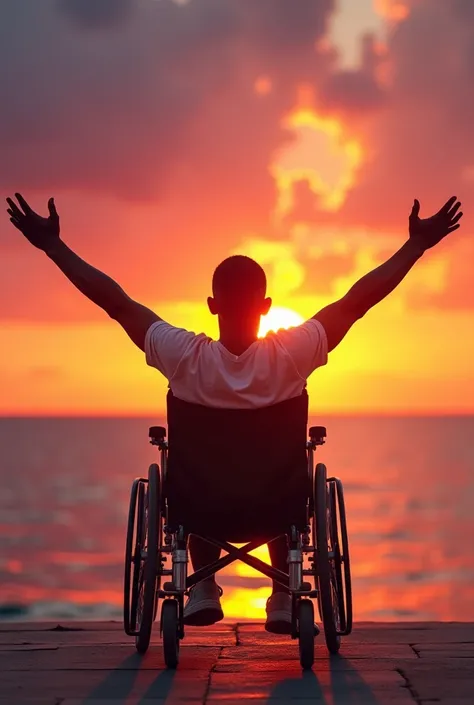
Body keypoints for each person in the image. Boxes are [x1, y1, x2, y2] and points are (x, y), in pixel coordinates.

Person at [6, 193, 463, 632]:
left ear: (212, 306)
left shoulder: (182, 355)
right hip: (277, 505)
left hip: (199, 506)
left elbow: (116, 303)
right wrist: (416, 246)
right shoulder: (292, 355)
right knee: (284, 480)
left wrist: (53, 246)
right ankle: (284, 594)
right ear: (266, 307)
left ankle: (202, 584)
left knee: (201, 479)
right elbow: (357, 302)